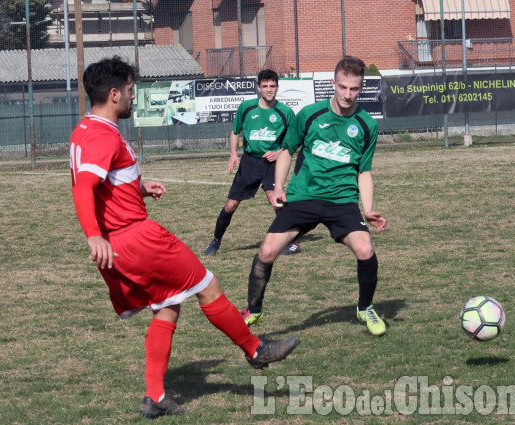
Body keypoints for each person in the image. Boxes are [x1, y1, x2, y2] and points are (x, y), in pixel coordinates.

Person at [69, 56, 300, 419]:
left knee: (168, 305)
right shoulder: (103, 135)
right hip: (136, 237)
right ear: (114, 94)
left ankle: (156, 395)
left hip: (121, 241)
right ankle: (256, 349)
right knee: (208, 285)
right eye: (130, 91)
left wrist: (139, 187)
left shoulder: (86, 129)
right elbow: (84, 186)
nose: (133, 97)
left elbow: (100, 184)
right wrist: (93, 235)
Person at [240, 56, 388, 335]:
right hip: (303, 197)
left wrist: (368, 209)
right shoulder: (309, 114)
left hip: (342, 200)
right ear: (333, 83)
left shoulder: (367, 125)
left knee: (365, 250)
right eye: (342, 87)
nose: (347, 94)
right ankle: (253, 310)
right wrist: (279, 186)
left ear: (361, 87)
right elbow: (287, 150)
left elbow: (364, 172)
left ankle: (365, 308)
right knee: (268, 250)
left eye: (354, 89)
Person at [204, 69, 301, 257]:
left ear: (277, 88)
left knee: (276, 201)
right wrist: (233, 154)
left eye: (272, 86)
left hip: (272, 164)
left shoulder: (285, 112)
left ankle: (292, 242)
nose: (269, 90)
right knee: (231, 205)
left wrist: (279, 152)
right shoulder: (247, 107)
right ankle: (215, 242)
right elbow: (235, 132)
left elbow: (293, 140)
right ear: (258, 87)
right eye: (265, 86)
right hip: (249, 162)